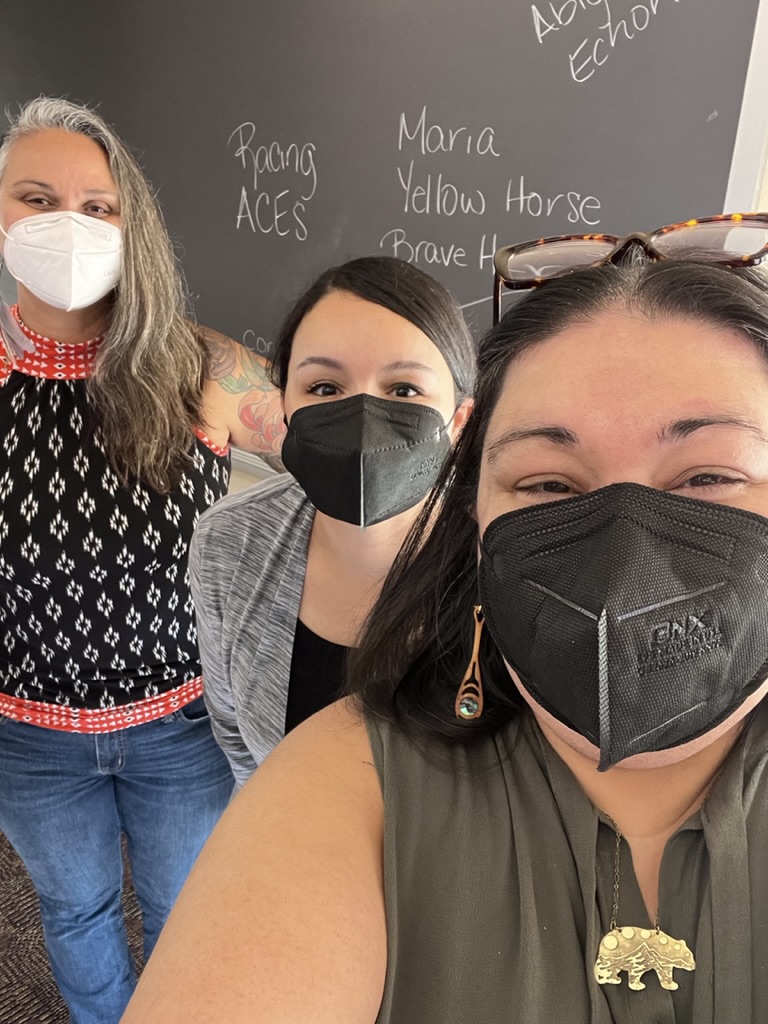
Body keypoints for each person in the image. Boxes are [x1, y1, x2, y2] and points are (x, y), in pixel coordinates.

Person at [123, 219, 768, 1023]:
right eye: (549, 486)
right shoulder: (350, 775)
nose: (626, 557)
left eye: (708, 475)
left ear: (456, 427)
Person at [0, 96, 283, 1024]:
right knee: (75, 913)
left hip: (182, 727)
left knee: (183, 911)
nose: (65, 225)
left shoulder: (199, 369)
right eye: (33, 198)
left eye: (96, 206)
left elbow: (342, 453)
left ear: (133, 226)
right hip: (28, 736)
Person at [188, 255, 475, 788]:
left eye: (404, 390)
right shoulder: (229, 541)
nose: (363, 414)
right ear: (286, 409)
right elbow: (234, 730)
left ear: (459, 421)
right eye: (324, 388)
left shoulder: (512, 560)